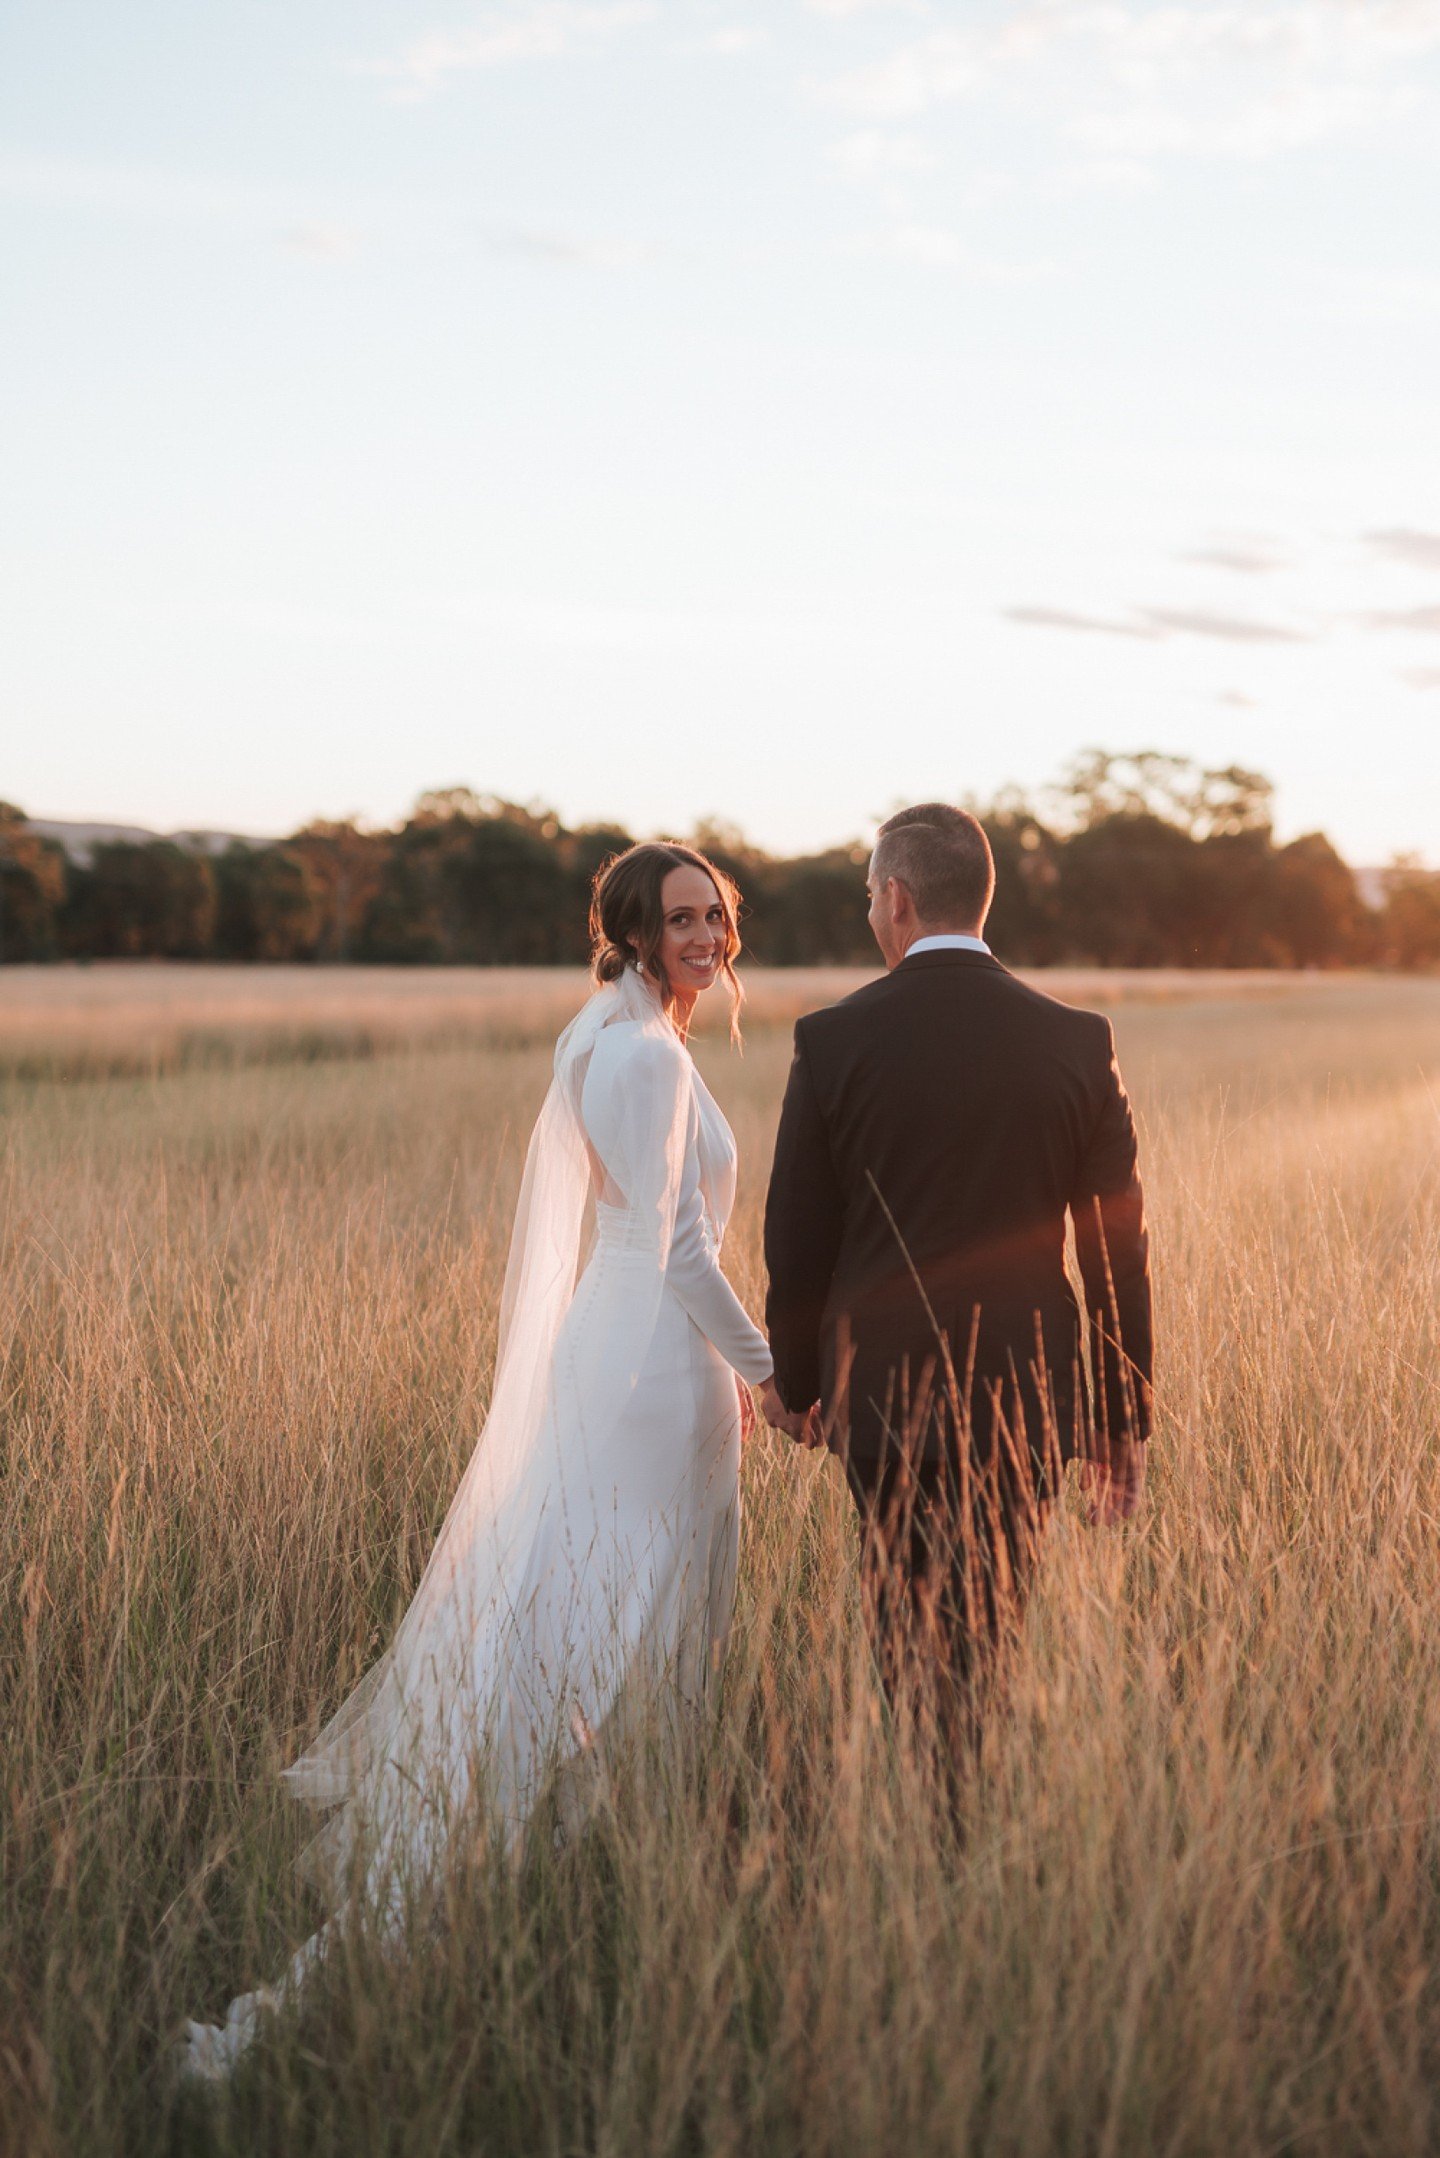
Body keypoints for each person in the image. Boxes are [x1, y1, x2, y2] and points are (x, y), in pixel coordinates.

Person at [181, 842, 786, 2080]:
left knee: (574, 1626)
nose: (707, 938)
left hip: (612, 1354)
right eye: (681, 920)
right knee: (619, 1635)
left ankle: (582, 1881)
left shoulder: (598, 1035)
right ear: (631, 927)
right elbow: (678, 1250)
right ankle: (373, 1963)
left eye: (716, 916)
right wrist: (770, 1372)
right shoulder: (652, 1056)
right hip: (653, 1372)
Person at [761, 802, 1153, 1750]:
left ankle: (935, 1810)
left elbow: (798, 1234)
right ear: (980, 900)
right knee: (995, 1620)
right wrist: (1119, 1416)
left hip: (879, 1392)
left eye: (868, 896)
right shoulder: (1077, 1038)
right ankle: (967, 1812)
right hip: (1026, 1390)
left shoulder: (832, 1039)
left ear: (896, 899)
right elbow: (1116, 1249)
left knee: (903, 1621)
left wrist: (800, 1385)